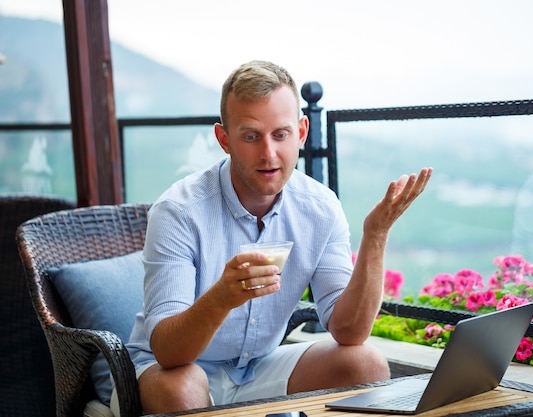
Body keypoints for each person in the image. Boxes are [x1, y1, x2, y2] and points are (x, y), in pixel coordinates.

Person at [120, 60, 433, 415]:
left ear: (301, 132)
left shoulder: (320, 207)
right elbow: (168, 352)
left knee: (365, 364)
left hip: (259, 365)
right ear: (224, 139)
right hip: (169, 369)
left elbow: (349, 332)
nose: (268, 153)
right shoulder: (178, 211)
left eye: (280, 135)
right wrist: (222, 297)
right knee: (182, 387)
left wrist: (375, 237)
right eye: (251, 136)